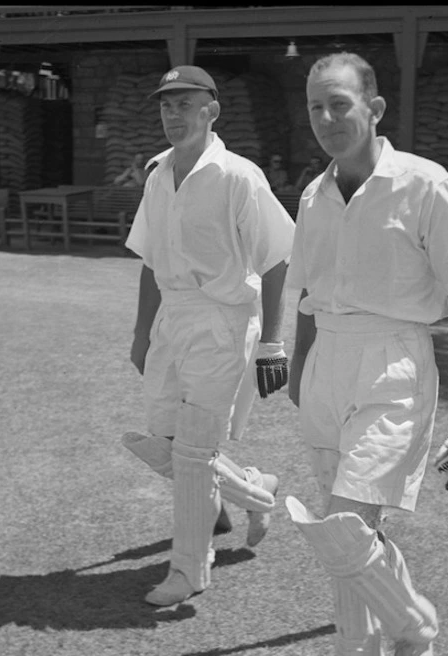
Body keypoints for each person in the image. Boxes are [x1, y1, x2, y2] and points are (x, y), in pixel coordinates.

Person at [285, 52, 448, 656]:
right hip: (327, 366)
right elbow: (310, 296)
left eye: (340, 104)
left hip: (394, 363)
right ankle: (361, 655)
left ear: (374, 110)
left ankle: (416, 630)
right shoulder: (313, 195)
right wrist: (300, 372)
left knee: (345, 526)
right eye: (316, 107)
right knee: (342, 525)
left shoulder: (425, 184)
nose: (326, 119)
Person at [122, 65, 295, 607]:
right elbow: (151, 260)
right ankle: (256, 490)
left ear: (211, 111)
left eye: (185, 104)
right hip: (171, 320)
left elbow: (277, 257)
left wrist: (272, 342)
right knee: (168, 443)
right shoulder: (156, 174)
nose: (173, 115)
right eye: (166, 105)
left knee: (195, 452)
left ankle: (190, 570)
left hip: (223, 321)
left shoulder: (239, 176)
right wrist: (140, 332)